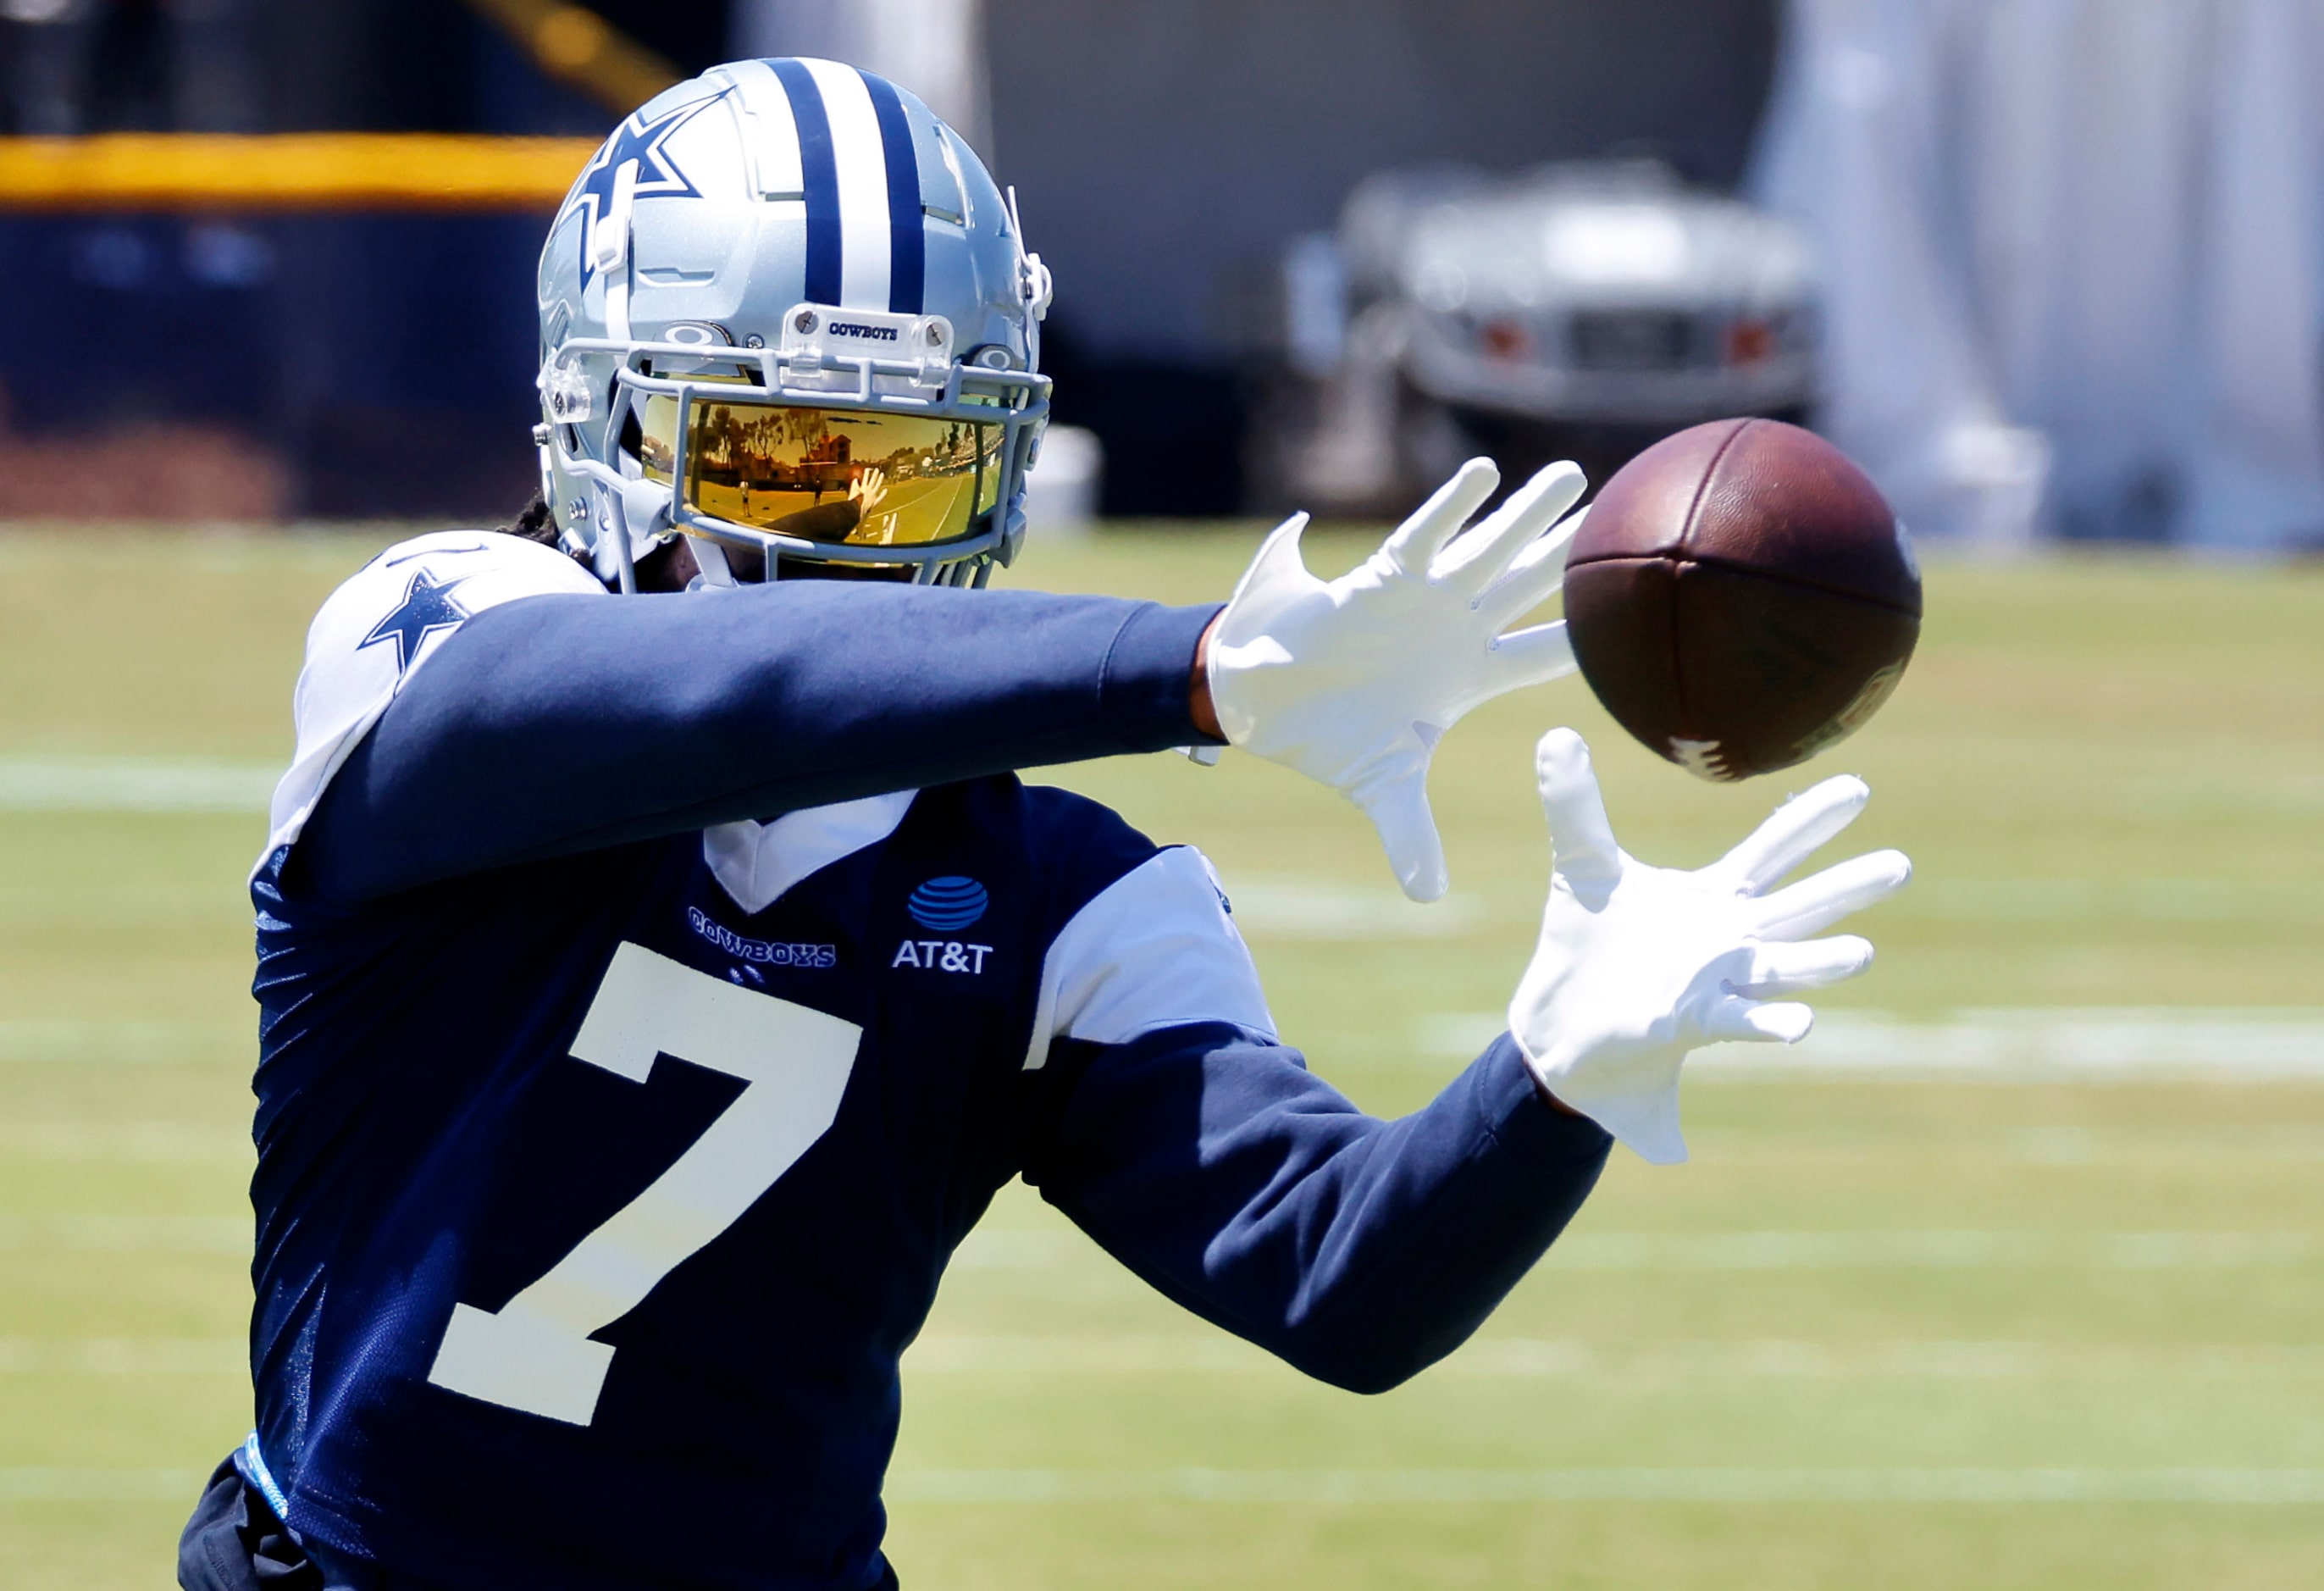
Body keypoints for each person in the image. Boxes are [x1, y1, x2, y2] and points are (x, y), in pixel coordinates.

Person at [178, 58, 1909, 1591]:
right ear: (609, 424)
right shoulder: (448, 647)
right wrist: (1201, 670)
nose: (860, 528)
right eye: (794, 459)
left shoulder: (1058, 902)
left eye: (913, 466)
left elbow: (1336, 1279)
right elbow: (730, 691)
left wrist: (1551, 1079)